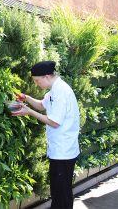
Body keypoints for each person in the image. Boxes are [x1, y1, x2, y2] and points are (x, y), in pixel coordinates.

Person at [11, 61, 80, 209]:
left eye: (37, 80)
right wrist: (26, 98)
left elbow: (54, 122)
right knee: (60, 192)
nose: (36, 84)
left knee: (61, 195)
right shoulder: (54, 90)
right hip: (60, 151)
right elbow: (42, 105)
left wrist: (28, 112)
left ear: (47, 76)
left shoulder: (61, 92)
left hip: (63, 152)